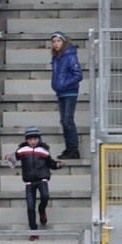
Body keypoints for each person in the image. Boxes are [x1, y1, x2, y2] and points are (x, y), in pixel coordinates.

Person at [6, 126, 64, 241]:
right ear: (26, 140)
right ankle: (34, 231)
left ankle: (42, 210)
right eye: (30, 139)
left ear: (39, 139)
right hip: (29, 181)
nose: (33, 141)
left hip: (42, 179)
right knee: (30, 206)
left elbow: (51, 163)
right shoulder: (22, 150)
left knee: (45, 196)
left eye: (35, 139)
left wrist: (58, 165)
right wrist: (7, 157)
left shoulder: (44, 150)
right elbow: (12, 158)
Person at [51, 30, 83, 161]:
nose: (56, 44)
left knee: (67, 120)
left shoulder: (70, 56)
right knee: (64, 120)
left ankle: (73, 149)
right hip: (61, 92)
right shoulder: (56, 57)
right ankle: (69, 148)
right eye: (54, 41)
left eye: (58, 41)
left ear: (63, 42)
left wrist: (63, 84)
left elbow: (78, 75)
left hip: (70, 92)